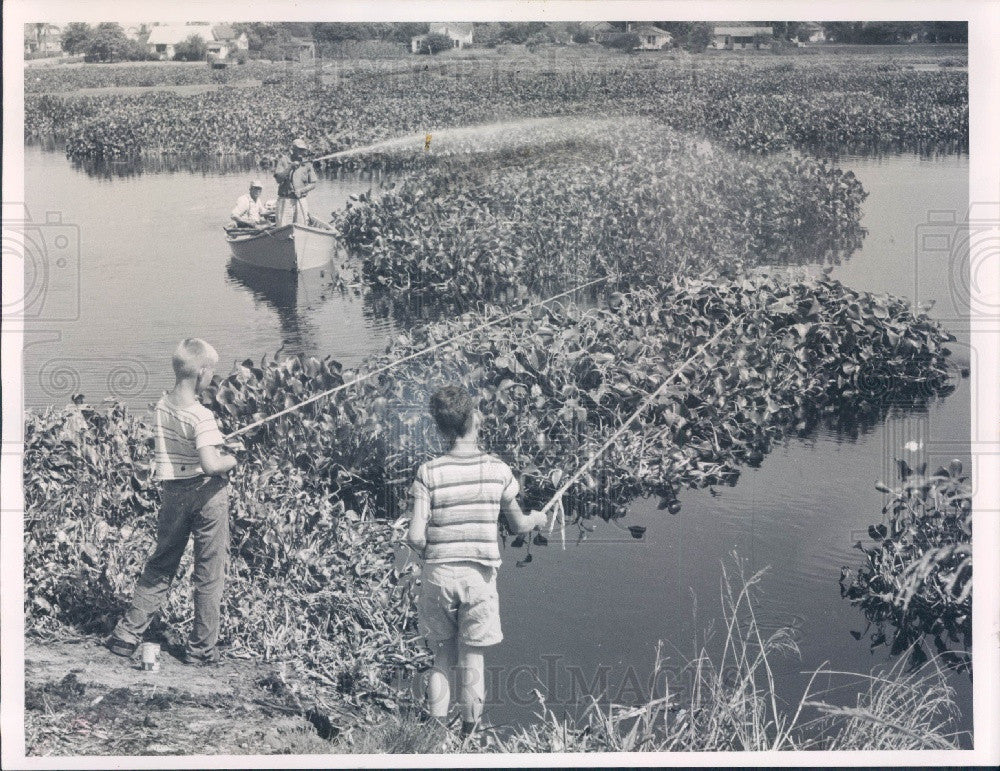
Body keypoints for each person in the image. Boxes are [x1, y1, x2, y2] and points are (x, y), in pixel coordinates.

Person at [406, 385, 553, 737]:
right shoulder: (498, 470)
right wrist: (537, 519)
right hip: (479, 576)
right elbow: (518, 525)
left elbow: (414, 535)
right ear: (474, 419)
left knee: (441, 653)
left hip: (438, 574)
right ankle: (468, 741)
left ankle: (433, 738)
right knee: (473, 659)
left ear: (440, 428)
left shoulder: (428, 472)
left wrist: (429, 551)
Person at [106, 339, 238, 666]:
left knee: (161, 563)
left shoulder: (163, 404)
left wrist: (213, 445)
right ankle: (201, 651)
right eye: (212, 373)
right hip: (207, 495)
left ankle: (126, 636)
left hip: (173, 494)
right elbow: (210, 465)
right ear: (202, 372)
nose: (212, 378)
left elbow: (189, 444)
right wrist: (231, 458)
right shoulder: (202, 415)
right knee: (209, 574)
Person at [273, 138, 317, 227]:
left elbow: (313, 183)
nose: (302, 152)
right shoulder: (284, 160)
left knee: (302, 227)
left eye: (303, 150)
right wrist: (290, 167)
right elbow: (278, 179)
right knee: (283, 227)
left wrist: (302, 191)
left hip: (301, 200)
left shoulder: (307, 163)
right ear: (293, 149)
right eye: (299, 150)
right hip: (286, 200)